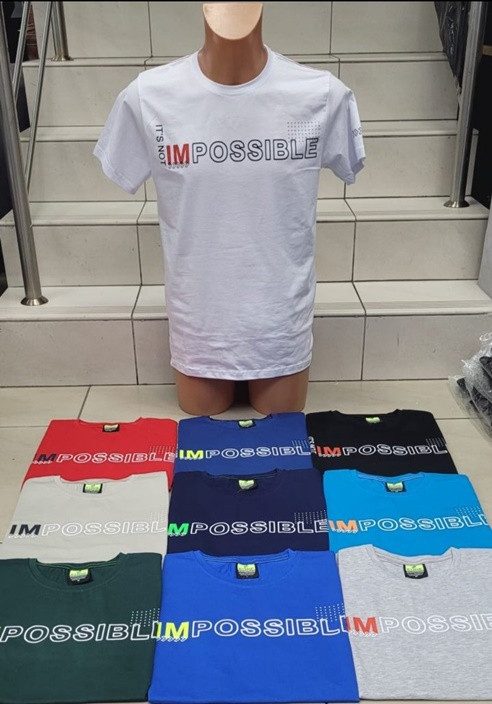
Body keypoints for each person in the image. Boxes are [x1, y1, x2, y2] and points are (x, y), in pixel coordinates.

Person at [93, 2, 365, 415]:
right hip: (200, 328)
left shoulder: (320, 95)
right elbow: (123, 168)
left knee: (282, 432)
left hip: (280, 327)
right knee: (201, 428)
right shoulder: (149, 96)